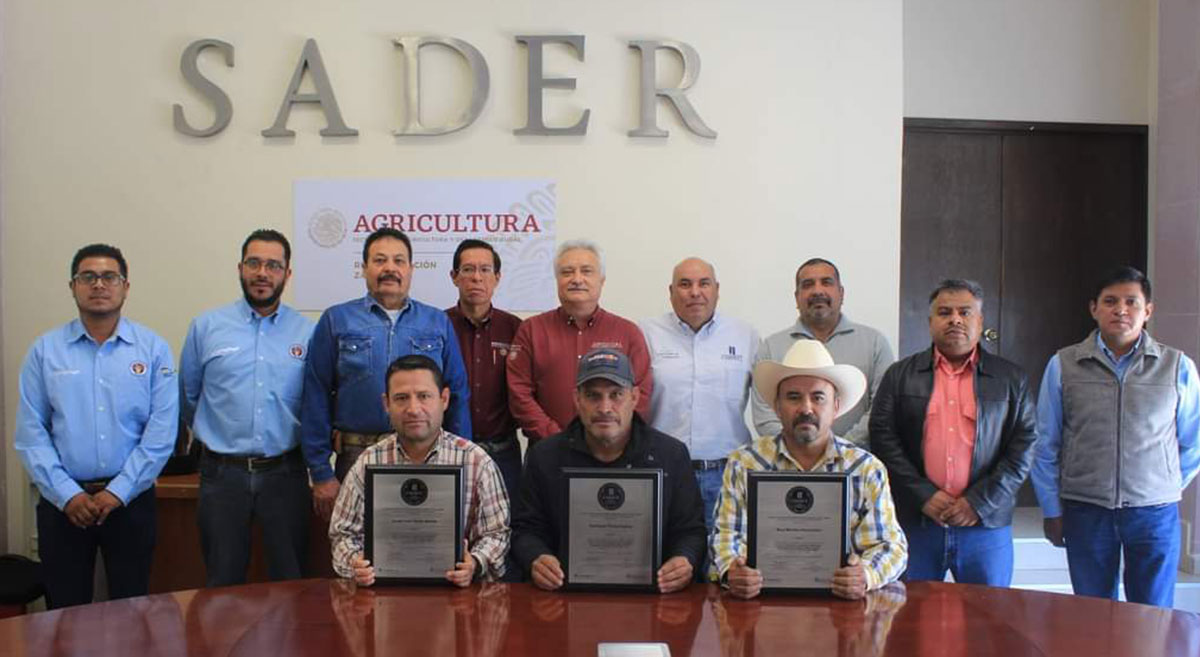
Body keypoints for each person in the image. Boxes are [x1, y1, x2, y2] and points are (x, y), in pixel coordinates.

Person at [14, 244, 178, 608]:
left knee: (131, 608)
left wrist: (117, 492)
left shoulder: (152, 350)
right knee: (65, 610)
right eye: (88, 277)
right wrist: (66, 494)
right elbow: (31, 433)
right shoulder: (45, 351)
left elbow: (161, 434)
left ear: (125, 287)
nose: (99, 285)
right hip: (63, 504)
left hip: (130, 502)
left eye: (109, 277)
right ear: (73, 287)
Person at [1032, 266, 1200, 608]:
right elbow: (1045, 442)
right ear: (1094, 308)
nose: (1120, 310)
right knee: (1093, 613)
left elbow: (1193, 440)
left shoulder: (1176, 366)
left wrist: (1163, 485)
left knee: (1153, 614)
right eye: (1110, 301)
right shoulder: (1064, 364)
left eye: (1131, 302)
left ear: (1148, 311)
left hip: (1154, 514)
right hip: (1086, 510)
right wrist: (1052, 508)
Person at [869, 279, 1036, 586]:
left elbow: (1023, 448)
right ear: (930, 321)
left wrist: (979, 502)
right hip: (916, 523)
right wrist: (924, 495)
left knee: (988, 624)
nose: (955, 319)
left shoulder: (1012, 379)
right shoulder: (899, 376)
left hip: (985, 526)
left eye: (965, 312)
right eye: (944, 312)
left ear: (980, 320)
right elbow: (883, 439)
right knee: (909, 621)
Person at [710, 340, 906, 600]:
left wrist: (866, 576)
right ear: (777, 407)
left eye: (818, 397)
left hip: (843, 607)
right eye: (793, 397)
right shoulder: (744, 464)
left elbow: (891, 546)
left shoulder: (866, 468)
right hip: (761, 603)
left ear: (836, 406)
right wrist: (732, 571)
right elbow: (726, 535)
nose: (806, 408)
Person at [301, 227, 471, 520]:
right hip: (356, 458)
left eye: (398, 260)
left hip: (426, 458)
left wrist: (461, 463)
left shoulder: (436, 322)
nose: (389, 268)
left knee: (424, 545)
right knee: (356, 550)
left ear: (411, 269)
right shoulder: (336, 319)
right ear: (364, 268)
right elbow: (315, 394)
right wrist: (320, 471)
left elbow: (457, 394)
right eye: (380, 260)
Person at [180, 229, 316, 586]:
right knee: (222, 583)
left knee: (290, 582)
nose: (262, 273)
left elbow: (315, 403)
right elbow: (188, 397)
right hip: (222, 475)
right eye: (254, 263)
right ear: (240, 268)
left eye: (273, 265)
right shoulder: (207, 327)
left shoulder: (307, 333)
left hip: (285, 474)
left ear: (287, 274)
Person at [511, 348, 706, 593]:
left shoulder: (671, 455)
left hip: (653, 597)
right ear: (577, 399)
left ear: (635, 397)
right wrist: (535, 558)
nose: (605, 407)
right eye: (593, 396)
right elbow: (525, 529)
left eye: (616, 395)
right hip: (564, 596)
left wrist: (684, 559)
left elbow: (691, 530)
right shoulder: (545, 456)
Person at [329, 355, 510, 586]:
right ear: (387, 404)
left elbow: (497, 534)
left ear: (444, 399)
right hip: (383, 596)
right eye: (401, 398)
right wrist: (356, 563)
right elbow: (342, 535)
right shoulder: (368, 462)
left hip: (458, 595)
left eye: (424, 396)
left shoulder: (476, 461)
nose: (413, 409)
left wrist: (475, 561)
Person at [639, 257, 759, 531]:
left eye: (704, 283)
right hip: (663, 471)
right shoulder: (646, 334)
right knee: (666, 562)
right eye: (685, 284)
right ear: (671, 292)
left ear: (717, 289)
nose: (695, 292)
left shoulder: (745, 336)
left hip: (727, 473)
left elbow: (766, 406)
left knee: (721, 565)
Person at [507, 240, 652, 443]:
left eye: (586, 271)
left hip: (612, 452)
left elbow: (642, 393)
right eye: (567, 272)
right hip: (547, 451)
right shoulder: (531, 330)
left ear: (602, 280)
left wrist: (610, 436)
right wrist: (556, 439)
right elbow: (519, 393)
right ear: (556, 279)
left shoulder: (628, 332)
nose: (576, 279)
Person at [753, 258, 893, 446]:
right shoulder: (771, 347)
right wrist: (801, 450)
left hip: (855, 466)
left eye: (826, 282)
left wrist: (839, 452)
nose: (818, 291)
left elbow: (881, 409)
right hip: (787, 468)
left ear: (841, 293)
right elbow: (765, 414)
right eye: (808, 284)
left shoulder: (875, 343)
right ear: (797, 297)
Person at [445, 239, 523, 496]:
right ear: (454, 277)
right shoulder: (437, 326)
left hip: (503, 453)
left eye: (485, 270)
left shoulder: (516, 329)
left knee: (506, 525)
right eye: (467, 270)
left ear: (497, 277)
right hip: (448, 450)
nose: (476, 277)